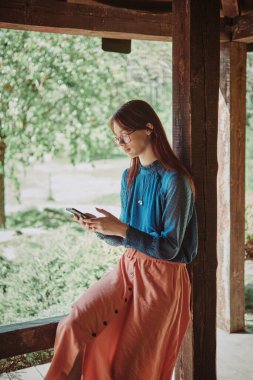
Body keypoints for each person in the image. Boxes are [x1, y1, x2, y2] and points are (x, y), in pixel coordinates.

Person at [45, 99, 198, 380]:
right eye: (116, 138)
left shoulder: (175, 181)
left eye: (124, 135)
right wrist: (103, 229)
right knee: (75, 323)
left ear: (149, 128)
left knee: (134, 366)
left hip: (162, 280)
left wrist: (122, 229)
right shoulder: (130, 176)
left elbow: (170, 247)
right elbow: (126, 239)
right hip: (128, 268)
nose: (120, 143)